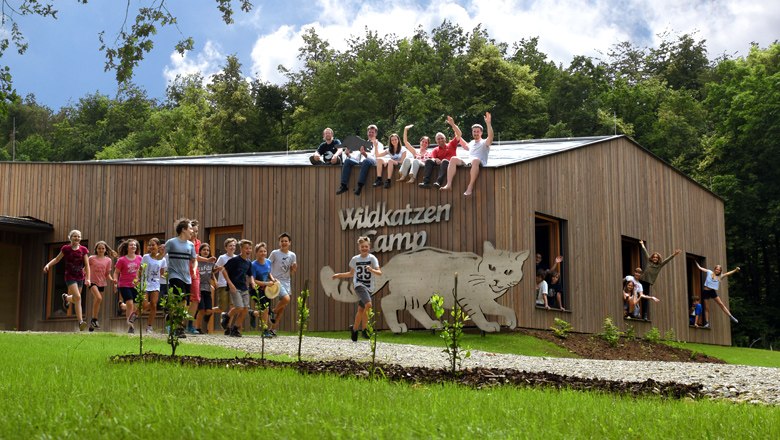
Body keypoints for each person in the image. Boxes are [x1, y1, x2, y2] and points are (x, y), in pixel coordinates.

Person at [331, 236, 382, 341]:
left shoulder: (372, 258)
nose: (364, 248)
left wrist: (371, 269)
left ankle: (354, 330)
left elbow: (379, 273)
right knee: (369, 304)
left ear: (369, 247)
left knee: (361, 309)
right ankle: (364, 330)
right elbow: (351, 274)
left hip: (369, 287)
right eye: (362, 246)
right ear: (359, 247)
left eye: (366, 246)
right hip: (359, 285)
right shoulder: (355, 259)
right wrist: (338, 275)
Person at [43, 229, 91, 331]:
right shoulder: (66, 249)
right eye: (74, 236)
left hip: (80, 277)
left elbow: (87, 265)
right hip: (70, 276)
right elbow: (57, 259)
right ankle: (81, 321)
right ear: (70, 237)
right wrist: (48, 265)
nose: (77, 238)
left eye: (78, 236)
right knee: (78, 297)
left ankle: (66, 298)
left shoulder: (83, 250)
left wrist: (88, 278)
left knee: (75, 299)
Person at [441, 112, 494, 196]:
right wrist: (453, 124)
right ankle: (449, 184)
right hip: (469, 163)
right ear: (472, 132)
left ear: (481, 133)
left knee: (475, 160)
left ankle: (470, 186)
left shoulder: (484, 142)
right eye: (474, 131)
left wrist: (488, 123)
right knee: (453, 159)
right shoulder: (471, 143)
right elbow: (459, 136)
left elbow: (491, 136)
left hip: (479, 163)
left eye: (477, 131)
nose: (476, 133)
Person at [163, 218, 197, 337]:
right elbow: (160, 256)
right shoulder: (171, 242)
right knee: (181, 302)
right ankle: (179, 328)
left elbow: (194, 260)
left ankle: (170, 314)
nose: (192, 231)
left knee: (185, 304)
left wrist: (193, 268)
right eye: (190, 228)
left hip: (187, 277)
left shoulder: (191, 245)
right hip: (174, 275)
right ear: (183, 229)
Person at [336, 124, 384, 196]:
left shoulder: (379, 144)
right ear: (367, 133)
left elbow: (376, 158)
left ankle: (360, 186)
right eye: (369, 132)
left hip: (371, 163)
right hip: (361, 162)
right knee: (347, 161)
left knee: (366, 161)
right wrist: (348, 154)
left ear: (376, 134)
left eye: (372, 132)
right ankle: (343, 185)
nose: (370, 134)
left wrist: (365, 154)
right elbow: (357, 158)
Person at [638, 240, 681, 319]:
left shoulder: (660, 265)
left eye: (656, 258)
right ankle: (636, 311)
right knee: (638, 294)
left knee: (645, 298)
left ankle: (644, 314)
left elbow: (667, 260)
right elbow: (645, 252)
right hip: (641, 280)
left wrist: (674, 254)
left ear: (658, 259)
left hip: (647, 283)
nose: (655, 258)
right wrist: (642, 244)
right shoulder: (649, 261)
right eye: (654, 257)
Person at [222, 239, 254, 337]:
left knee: (245, 309)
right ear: (241, 249)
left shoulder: (249, 262)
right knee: (239, 307)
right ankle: (226, 316)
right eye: (246, 248)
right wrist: (230, 284)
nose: (248, 250)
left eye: (249, 248)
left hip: (244, 287)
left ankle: (235, 329)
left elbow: (250, 274)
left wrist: (252, 282)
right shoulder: (235, 260)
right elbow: (223, 270)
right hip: (235, 287)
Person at [419, 116, 462, 188]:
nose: (440, 140)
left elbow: (459, 134)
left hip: (451, 165)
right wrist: (435, 159)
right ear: (436, 141)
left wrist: (452, 124)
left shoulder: (452, 144)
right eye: (438, 139)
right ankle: (425, 182)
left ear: (445, 139)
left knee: (445, 161)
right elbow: (431, 158)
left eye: (442, 138)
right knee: (429, 161)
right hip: (440, 165)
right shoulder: (435, 149)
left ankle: (438, 182)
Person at [268, 232, 297, 336]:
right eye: (282, 241)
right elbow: (267, 266)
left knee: (283, 306)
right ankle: (274, 311)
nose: (284, 243)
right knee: (286, 299)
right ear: (279, 243)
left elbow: (293, 270)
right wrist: (271, 278)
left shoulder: (292, 255)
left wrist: (294, 268)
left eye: (286, 241)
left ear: (289, 242)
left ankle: (273, 329)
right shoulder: (275, 253)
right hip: (276, 280)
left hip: (286, 281)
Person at [695, 261, 740, 327]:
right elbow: (700, 268)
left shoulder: (720, 276)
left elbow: (728, 273)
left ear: (720, 271)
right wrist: (696, 262)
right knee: (707, 308)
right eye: (717, 269)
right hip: (706, 292)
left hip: (712, 291)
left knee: (721, 304)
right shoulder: (709, 272)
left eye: (719, 270)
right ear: (714, 269)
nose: (717, 271)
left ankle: (731, 317)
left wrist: (735, 270)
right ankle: (707, 323)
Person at [113, 239, 142, 334]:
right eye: (131, 245)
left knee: (137, 306)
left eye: (135, 245)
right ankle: (130, 326)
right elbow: (116, 272)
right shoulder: (122, 260)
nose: (133, 246)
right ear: (127, 247)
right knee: (130, 303)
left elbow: (143, 271)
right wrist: (115, 281)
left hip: (136, 285)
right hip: (124, 284)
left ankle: (123, 306)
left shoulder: (140, 258)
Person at [140, 238, 166, 334]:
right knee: (145, 305)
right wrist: (138, 280)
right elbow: (141, 269)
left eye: (153, 245)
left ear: (158, 246)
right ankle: (135, 314)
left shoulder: (163, 259)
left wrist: (166, 277)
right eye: (149, 245)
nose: (151, 247)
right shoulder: (146, 257)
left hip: (155, 284)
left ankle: (149, 326)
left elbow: (162, 272)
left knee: (154, 305)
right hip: (145, 283)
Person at [87, 241, 114, 331]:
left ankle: (93, 322)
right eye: (99, 248)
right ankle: (94, 320)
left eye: (103, 248)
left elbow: (107, 273)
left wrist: (112, 280)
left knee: (97, 302)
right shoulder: (91, 258)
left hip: (102, 282)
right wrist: (85, 278)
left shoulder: (108, 260)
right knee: (99, 298)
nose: (101, 250)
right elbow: (85, 269)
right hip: (92, 281)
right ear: (96, 249)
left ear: (105, 249)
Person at [251, 242, 276, 337]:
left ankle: (253, 313)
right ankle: (265, 330)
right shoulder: (253, 265)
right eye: (260, 251)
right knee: (265, 309)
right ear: (256, 253)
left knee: (267, 310)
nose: (263, 253)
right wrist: (266, 283)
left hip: (266, 290)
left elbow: (269, 273)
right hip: (256, 290)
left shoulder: (268, 262)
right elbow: (253, 280)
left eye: (264, 251)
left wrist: (273, 279)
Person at [214, 237, 238, 331]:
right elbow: (214, 270)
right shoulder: (222, 257)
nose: (232, 247)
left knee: (233, 306)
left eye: (233, 245)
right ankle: (207, 311)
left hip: (233, 285)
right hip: (223, 284)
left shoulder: (237, 258)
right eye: (230, 246)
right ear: (226, 247)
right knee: (222, 307)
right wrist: (219, 268)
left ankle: (228, 327)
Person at [195, 242, 216, 334]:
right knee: (202, 309)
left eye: (208, 250)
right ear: (200, 251)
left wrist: (215, 281)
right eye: (204, 250)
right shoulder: (197, 260)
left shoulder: (211, 262)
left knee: (208, 311)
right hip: (199, 288)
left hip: (207, 288)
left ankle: (195, 314)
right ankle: (197, 328)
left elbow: (212, 273)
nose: (206, 251)